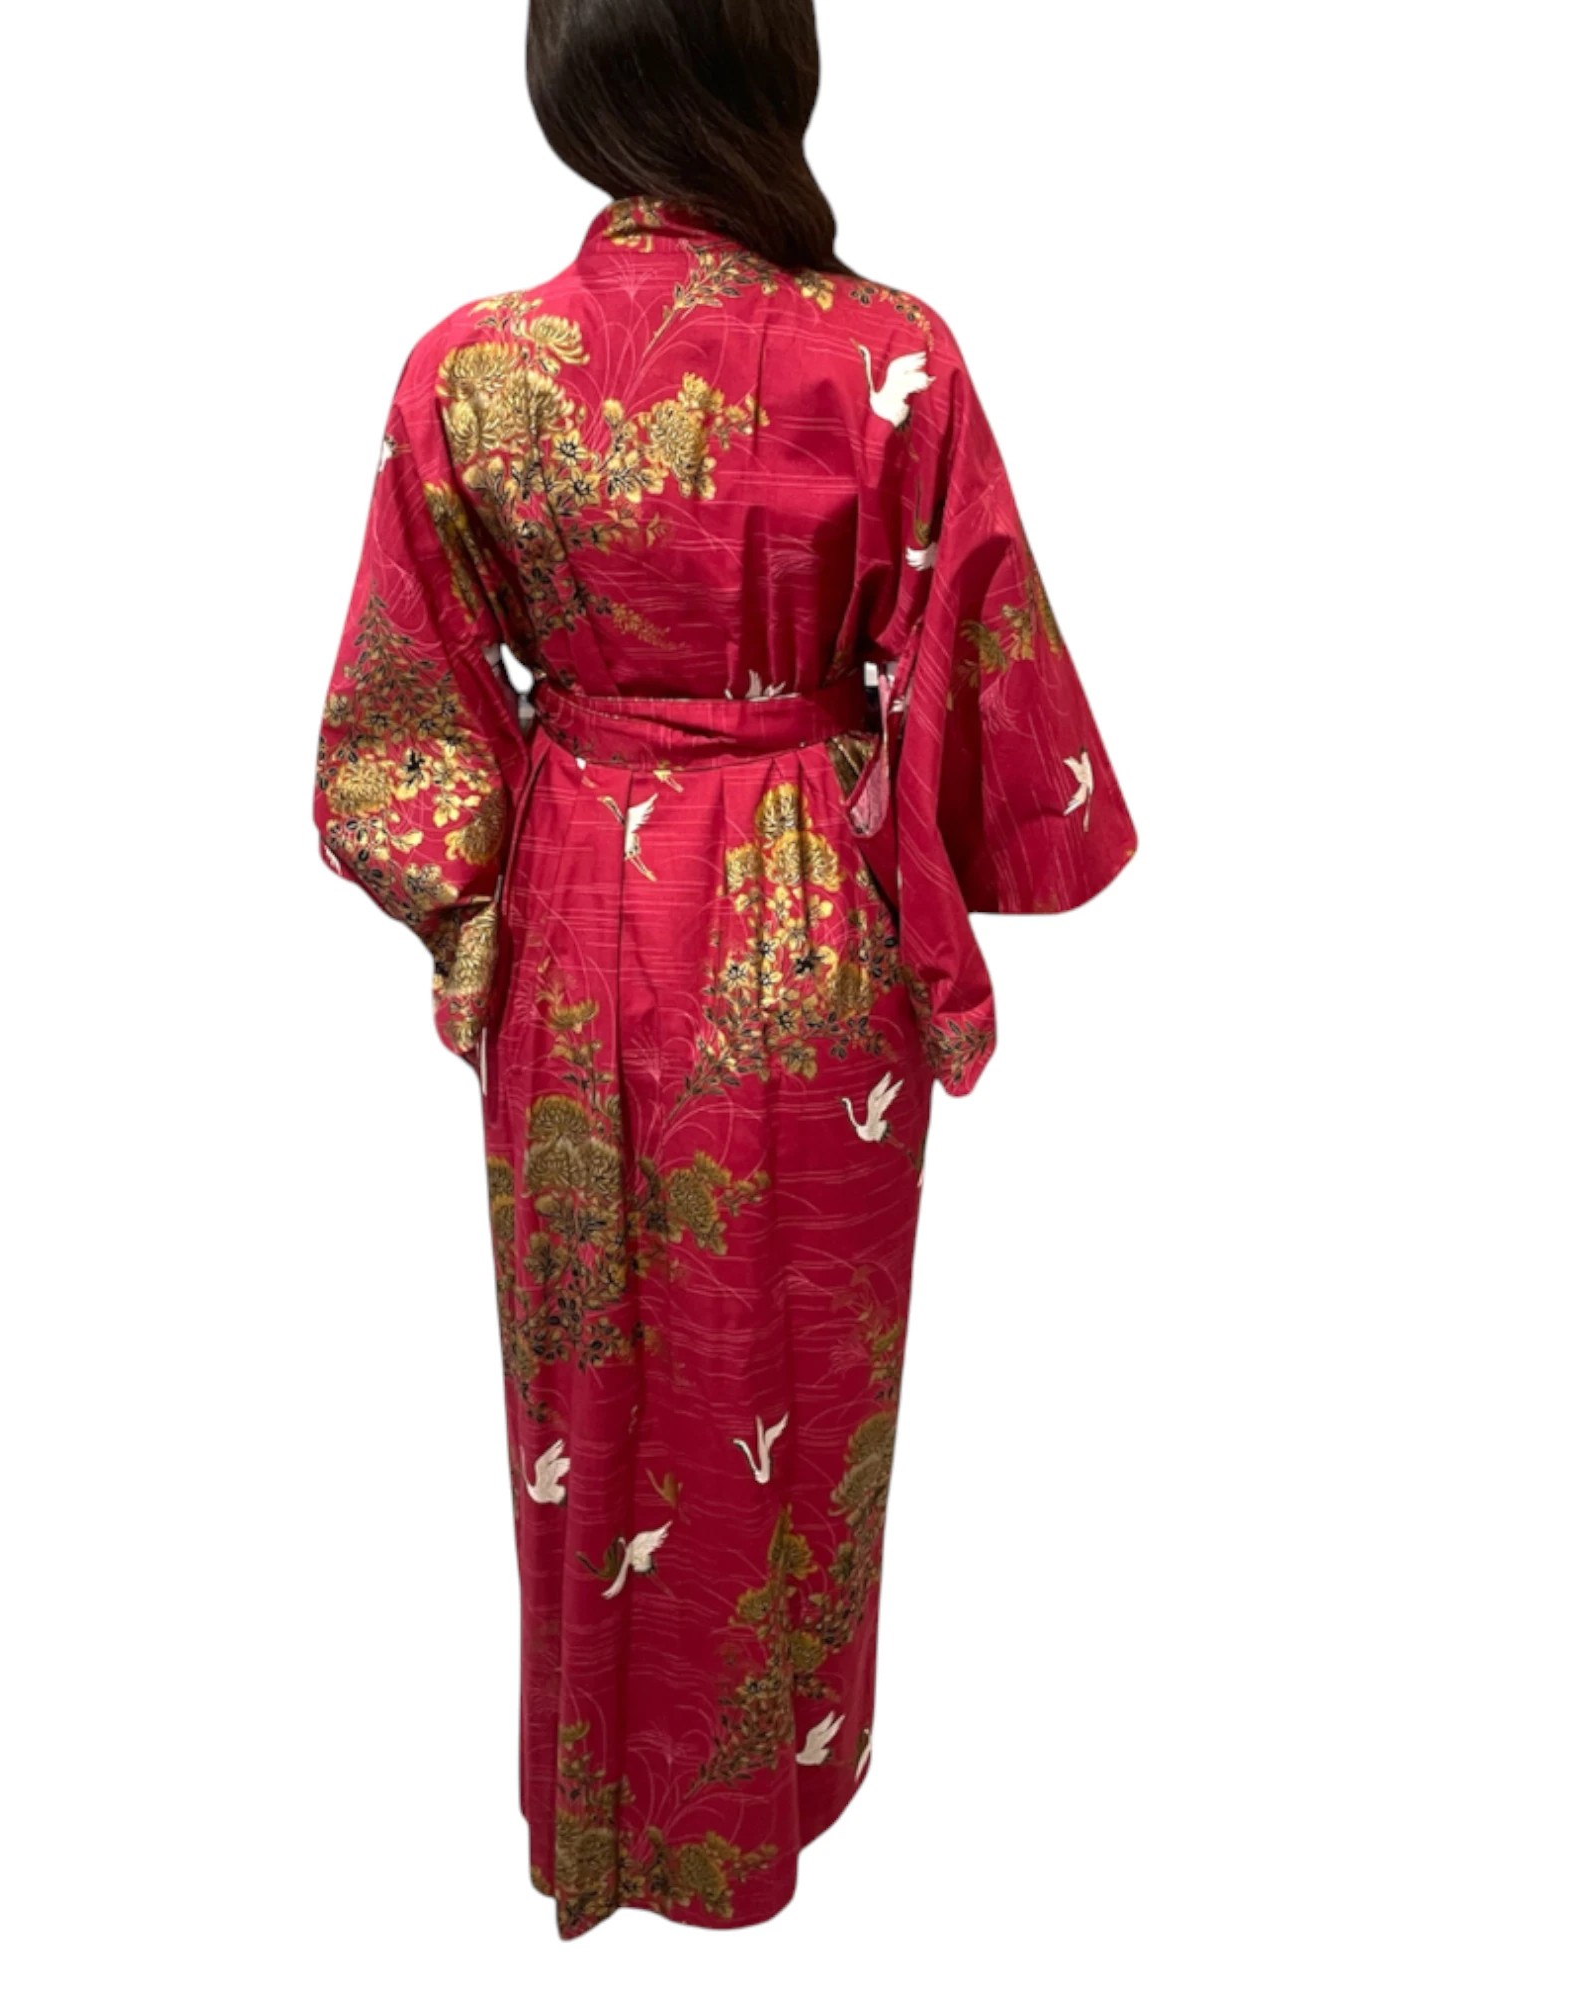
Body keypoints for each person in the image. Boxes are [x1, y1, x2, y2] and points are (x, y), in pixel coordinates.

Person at [310, 0, 1139, 1940]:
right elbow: (978, 669)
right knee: (792, 1356)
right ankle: (776, 1776)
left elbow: (401, 721)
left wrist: (471, 907)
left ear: (571, 75)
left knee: (595, 1360)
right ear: (774, 62)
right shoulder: (891, 354)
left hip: (576, 920)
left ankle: (618, 1803)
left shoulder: (470, 370)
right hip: (810, 916)